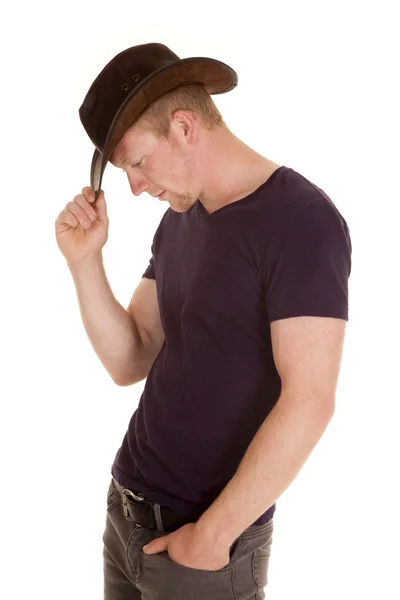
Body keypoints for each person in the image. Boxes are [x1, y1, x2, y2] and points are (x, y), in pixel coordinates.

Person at [55, 43, 352, 599]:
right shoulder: (180, 221)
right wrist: (84, 260)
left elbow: (311, 399)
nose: (136, 187)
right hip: (127, 511)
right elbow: (131, 357)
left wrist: (212, 538)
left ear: (184, 127)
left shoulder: (302, 222)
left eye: (138, 163)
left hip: (199, 543)